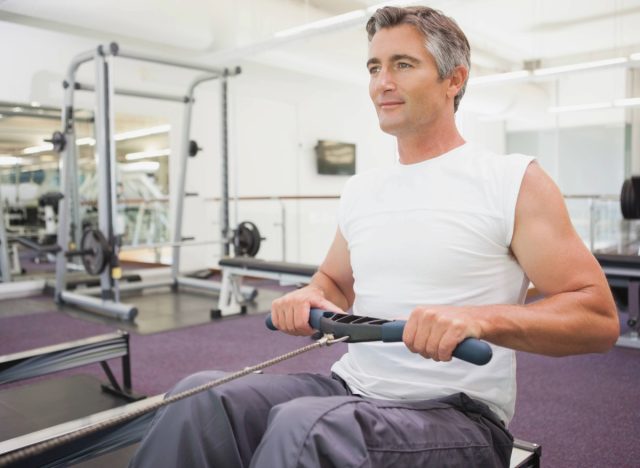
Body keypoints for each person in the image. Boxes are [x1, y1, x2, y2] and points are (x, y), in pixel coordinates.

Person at [130, 6, 619, 468]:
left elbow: (596, 317)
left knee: (307, 430)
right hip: (351, 390)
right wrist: (311, 295)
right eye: (373, 67)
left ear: (455, 79)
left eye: (402, 65)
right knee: (200, 398)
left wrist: (477, 319)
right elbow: (334, 283)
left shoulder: (513, 180)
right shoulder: (363, 189)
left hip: (457, 413)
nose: (381, 83)